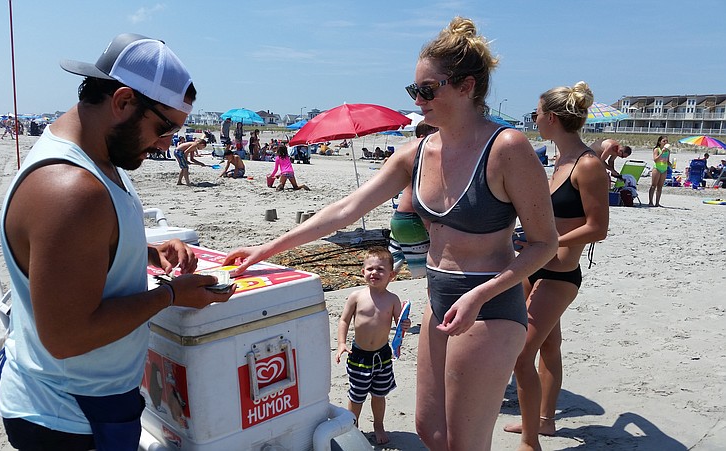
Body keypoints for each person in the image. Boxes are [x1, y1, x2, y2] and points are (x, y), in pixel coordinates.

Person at [224, 16, 558, 451]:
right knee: (430, 432)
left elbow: (544, 242)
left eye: (427, 89)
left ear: (466, 86)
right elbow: (346, 209)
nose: (418, 100)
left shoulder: (506, 149)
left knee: (464, 443)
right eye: (413, 90)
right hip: (440, 298)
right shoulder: (416, 152)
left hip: (490, 303)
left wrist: (481, 295)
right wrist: (270, 247)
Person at [0, 33, 234, 450]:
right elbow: (67, 337)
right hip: (66, 418)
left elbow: (79, 252)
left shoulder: (96, 161)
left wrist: (146, 252)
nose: (167, 144)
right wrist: (171, 295)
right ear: (123, 101)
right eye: (164, 128)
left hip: (86, 404)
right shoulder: (71, 188)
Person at [504, 82, 609, 451]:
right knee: (549, 346)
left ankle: (531, 441)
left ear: (550, 118)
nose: (532, 119)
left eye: (535, 113)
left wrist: (549, 243)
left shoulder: (589, 165)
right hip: (532, 266)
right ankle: (545, 421)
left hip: (560, 273)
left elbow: (598, 228)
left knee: (520, 354)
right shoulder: (557, 160)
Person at [335, 247, 409, 445]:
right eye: (370, 269)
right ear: (363, 272)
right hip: (359, 356)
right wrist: (342, 343)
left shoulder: (393, 300)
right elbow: (343, 320)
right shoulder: (356, 297)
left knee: (379, 395)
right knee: (356, 396)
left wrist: (404, 325)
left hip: (382, 357)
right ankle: (353, 427)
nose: (374, 273)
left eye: (380, 269)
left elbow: (399, 325)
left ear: (391, 275)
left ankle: (378, 425)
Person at [387, 121, 437, 278]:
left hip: (399, 219)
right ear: (423, 137)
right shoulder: (426, 161)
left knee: (389, 270)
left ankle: (375, 298)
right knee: (425, 274)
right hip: (413, 221)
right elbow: (422, 198)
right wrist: (430, 229)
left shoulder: (411, 158)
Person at [649, 135, 671, 207]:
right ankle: (650, 202)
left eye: (666, 141)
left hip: (664, 169)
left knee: (660, 186)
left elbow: (667, 161)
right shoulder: (657, 149)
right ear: (659, 142)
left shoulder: (668, 151)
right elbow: (655, 160)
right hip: (657, 168)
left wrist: (670, 164)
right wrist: (662, 153)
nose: (665, 142)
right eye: (664, 141)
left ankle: (657, 203)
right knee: (653, 185)